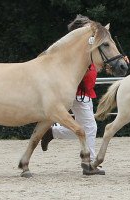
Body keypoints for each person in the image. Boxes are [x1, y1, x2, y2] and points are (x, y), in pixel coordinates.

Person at [41, 15, 105, 175]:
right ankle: (88, 163)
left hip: (85, 91)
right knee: (90, 127)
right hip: (78, 92)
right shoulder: (75, 49)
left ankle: (53, 132)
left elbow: (94, 65)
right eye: (88, 27)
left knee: (84, 128)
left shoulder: (84, 48)